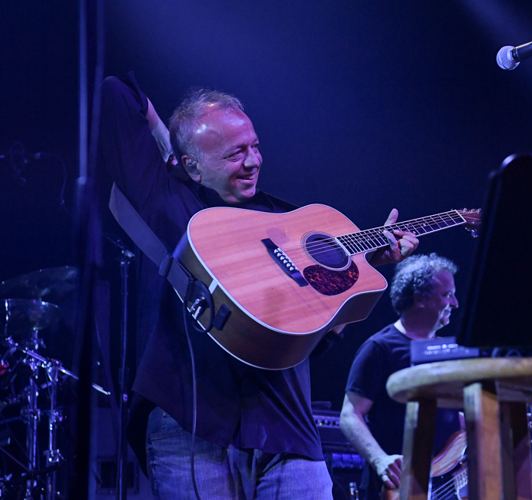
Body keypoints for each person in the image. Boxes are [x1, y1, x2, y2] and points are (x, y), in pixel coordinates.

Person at [98, 72, 419, 499]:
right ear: (191, 164)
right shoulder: (168, 200)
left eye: (255, 147)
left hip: (286, 429)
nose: (253, 162)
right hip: (191, 427)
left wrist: (358, 275)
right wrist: (166, 145)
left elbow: (311, 338)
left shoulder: (288, 221)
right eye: (235, 153)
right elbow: (115, 92)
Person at [340, 253, 462, 500]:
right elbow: (350, 414)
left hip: (445, 485)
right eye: (447, 295)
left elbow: (455, 421)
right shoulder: (380, 347)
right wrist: (380, 459)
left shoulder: (450, 351)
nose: (456, 303)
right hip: (393, 489)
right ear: (419, 299)